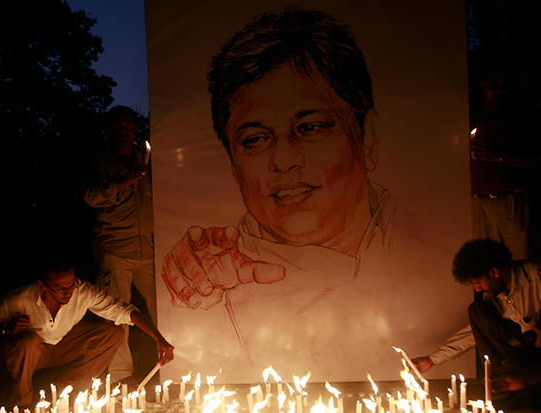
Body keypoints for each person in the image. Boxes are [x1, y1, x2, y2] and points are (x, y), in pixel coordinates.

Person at [159, 9, 464, 381]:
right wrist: (196, 304)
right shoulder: (202, 290)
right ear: (232, 162)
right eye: (255, 139)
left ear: (366, 137)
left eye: (311, 127)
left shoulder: (437, 264)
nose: (284, 161)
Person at [0, 260, 173, 407]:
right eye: (60, 289)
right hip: (29, 354)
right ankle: (22, 401)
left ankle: (70, 391)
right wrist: (6, 329)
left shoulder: (82, 292)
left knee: (112, 333)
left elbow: (124, 311)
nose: (68, 293)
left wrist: (159, 339)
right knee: (28, 340)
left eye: (72, 285)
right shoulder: (19, 300)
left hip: (61, 345)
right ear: (42, 285)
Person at [412, 239, 541, 391]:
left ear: (494, 272)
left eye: (477, 282)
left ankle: (526, 388)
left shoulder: (539, 276)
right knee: (477, 312)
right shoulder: (498, 294)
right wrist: (432, 360)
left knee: (517, 362)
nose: (477, 288)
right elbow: (474, 333)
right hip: (530, 346)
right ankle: (504, 382)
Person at [83, 106, 156, 384]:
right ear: (110, 131)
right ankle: (121, 377)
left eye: (128, 125)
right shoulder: (100, 165)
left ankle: (174, 362)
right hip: (115, 248)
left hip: (149, 249)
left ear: (135, 130)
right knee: (117, 313)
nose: (124, 130)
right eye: (118, 126)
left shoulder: (148, 160)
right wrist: (126, 181)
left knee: (167, 306)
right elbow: (91, 197)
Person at [469, 71, 541, 260]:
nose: (498, 89)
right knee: (487, 263)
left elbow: (538, 159)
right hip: (480, 200)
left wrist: (498, 157)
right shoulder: (473, 118)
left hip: (512, 199)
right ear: (482, 87)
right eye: (492, 83)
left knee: (521, 260)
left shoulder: (520, 120)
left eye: (502, 84)